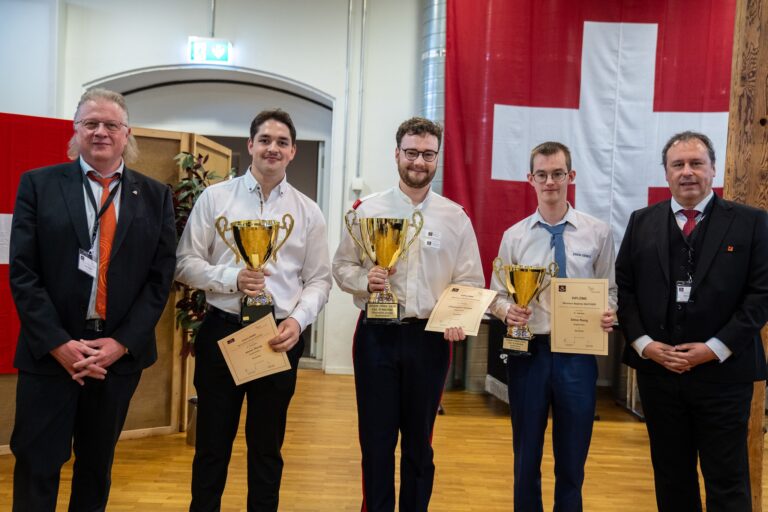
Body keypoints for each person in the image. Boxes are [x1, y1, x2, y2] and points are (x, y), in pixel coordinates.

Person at [8, 88, 177, 511]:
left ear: (127, 133)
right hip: (50, 355)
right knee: (36, 465)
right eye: (91, 123)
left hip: (114, 358)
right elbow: (24, 273)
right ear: (76, 130)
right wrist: (58, 344)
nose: (101, 132)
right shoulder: (38, 185)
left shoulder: (156, 197)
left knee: (96, 467)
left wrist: (120, 344)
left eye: (111, 124)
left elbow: (160, 281)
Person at [175, 108, 332, 511]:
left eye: (282, 142)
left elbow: (318, 280)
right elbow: (185, 262)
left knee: (267, 448)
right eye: (265, 140)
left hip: (278, 339)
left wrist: (298, 321)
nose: (272, 148)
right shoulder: (215, 198)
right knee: (212, 446)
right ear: (250, 146)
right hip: (222, 332)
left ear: (293, 151)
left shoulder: (307, 211)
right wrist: (231, 279)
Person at [332, 116, 484, 511]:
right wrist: (368, 280)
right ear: (396, 154)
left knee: (420, 442)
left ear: (437, 158)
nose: (419, 161)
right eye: (411, 153)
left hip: (429, 340)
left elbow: (469, 281)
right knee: (377, 441)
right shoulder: (366, 210)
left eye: (427, 154)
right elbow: (342, 267)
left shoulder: (455, 217)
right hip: (376, 338)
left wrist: (458, 318)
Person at [616, 131, 768, 512]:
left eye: (696, 163)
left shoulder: (752, 223)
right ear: (666, 173)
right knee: (671, 478)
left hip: (724, 376)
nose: (687, 172)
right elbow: (625, 291)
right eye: (678, 164)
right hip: (660, 376)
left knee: (727, 481)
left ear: (712, 169)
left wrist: (713, 349)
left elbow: (761, 295)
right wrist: (644, 344)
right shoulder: (641, 222)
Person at [489, 141, 617, 511]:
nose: (550, 181)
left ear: (570, 176)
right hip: (529, 353)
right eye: (542, 174)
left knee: (573, 455)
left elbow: (611, 289)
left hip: (578, 354)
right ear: (530, 179)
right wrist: (507, 312)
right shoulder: (514, 236)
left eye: (557, 173)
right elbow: (497, 295)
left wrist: (609, 312)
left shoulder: (598, 233)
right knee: (526, 452)